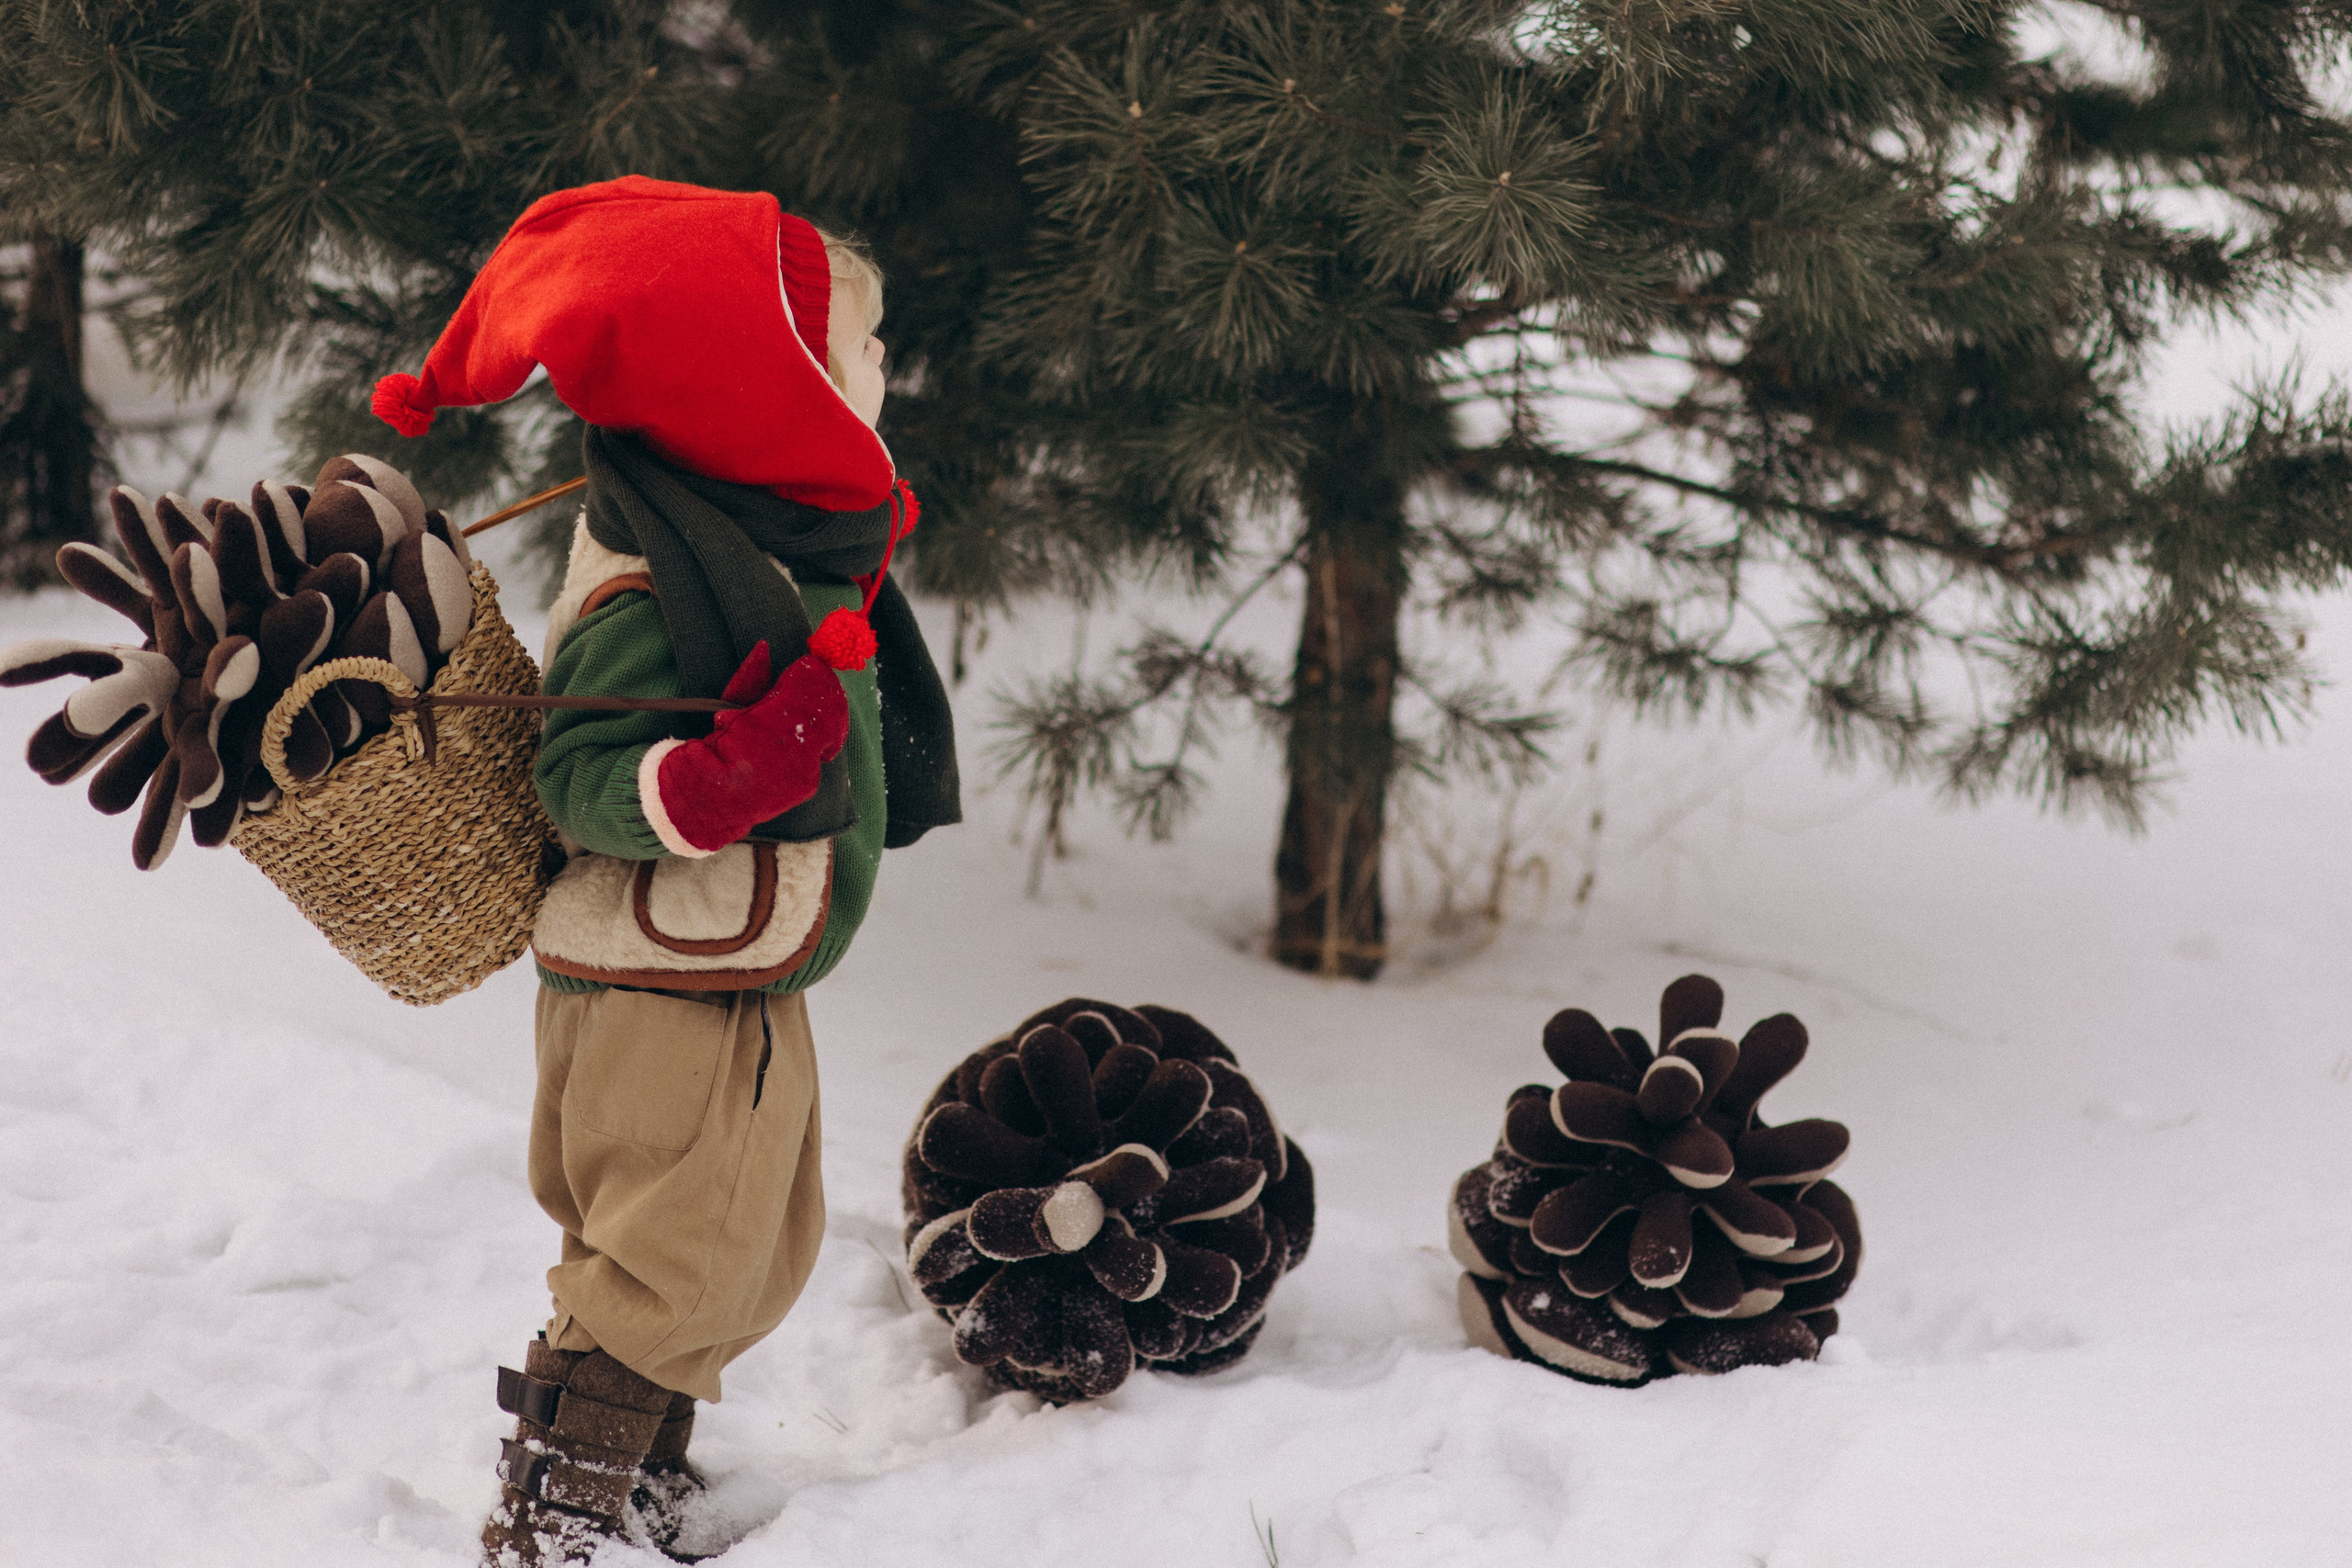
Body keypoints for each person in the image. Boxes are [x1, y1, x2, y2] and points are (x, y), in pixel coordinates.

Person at [368, 174, 960, 1565]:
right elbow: (575, 773)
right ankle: (559, 1519)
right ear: (769, 385)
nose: (888, 368)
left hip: (727, 964)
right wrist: (712, 784)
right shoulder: (658, 574)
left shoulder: (764, 535)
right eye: (862, 348)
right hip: (660, 982)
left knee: (741, 1238)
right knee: (667, 1252)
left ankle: (634, 1478)